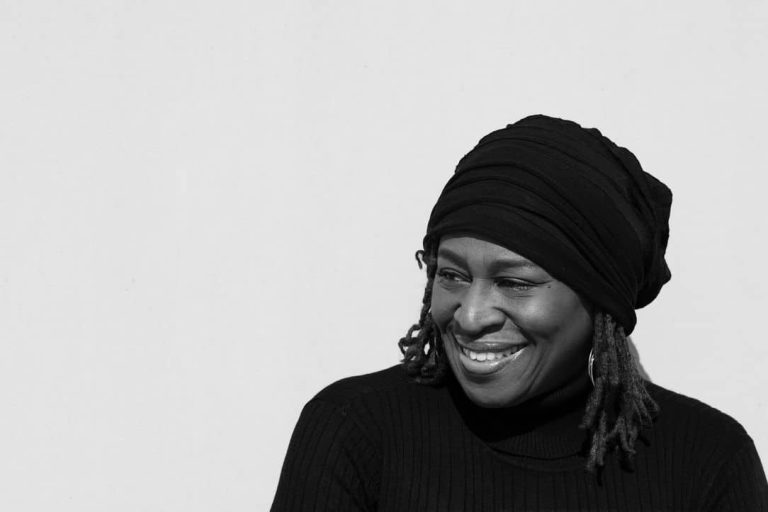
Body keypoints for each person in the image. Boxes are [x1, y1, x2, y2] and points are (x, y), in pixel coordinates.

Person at [270, 115, 768, 511]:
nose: (470, 317)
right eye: (451, 275)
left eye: (514, 283)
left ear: (600, 301)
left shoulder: (706, 460)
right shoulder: (357, 431)